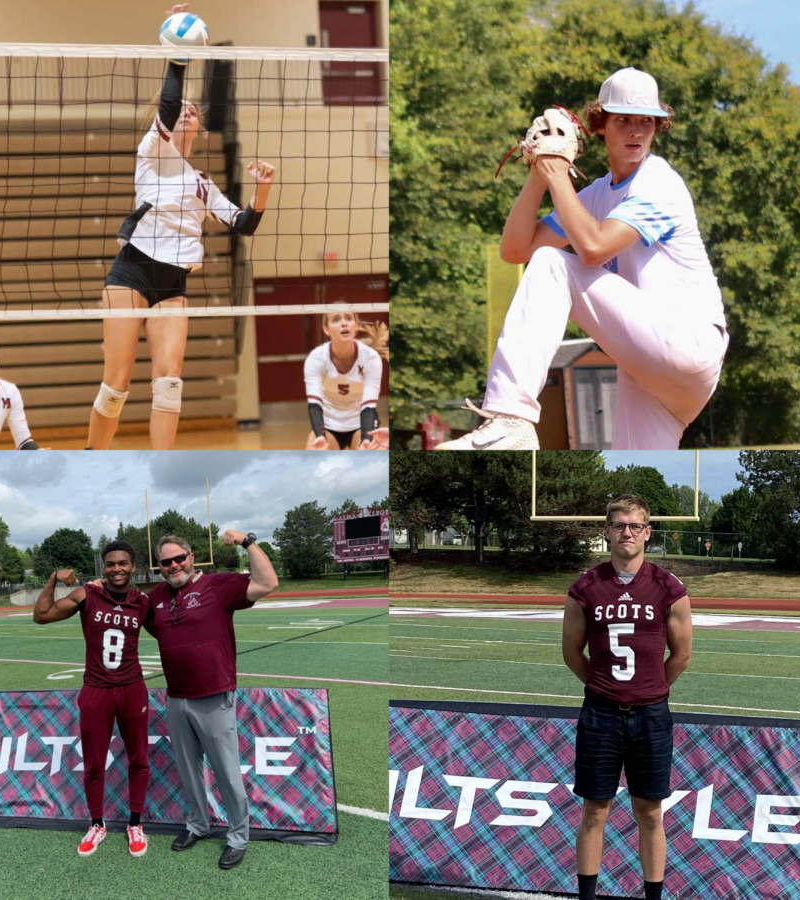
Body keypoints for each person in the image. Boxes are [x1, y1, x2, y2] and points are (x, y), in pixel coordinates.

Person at [439, 67, 728, 450]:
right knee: (634, 474)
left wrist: (559, 175)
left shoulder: (659, 183)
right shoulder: (594, 195)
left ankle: (511, 417)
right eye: (623, 119)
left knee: (553, 264)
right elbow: (514, 250)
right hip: (648, 369)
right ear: (600, 125)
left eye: (647, 121)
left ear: (659, 127)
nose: (637, 131)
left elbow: (592, 248)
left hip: (687, 344)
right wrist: (540, 174)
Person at [86, 3, 275, 451]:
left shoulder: (203, 185)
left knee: (170, 383)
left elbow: (244, 224)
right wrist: (177, 52)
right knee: (116, 385)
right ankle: (95, 453)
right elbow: (169, 101)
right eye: (180, 109)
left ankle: (163, 464)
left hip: (174, 285)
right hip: (130, 274)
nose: (185, 111)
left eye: (193, 110)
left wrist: (262, 189)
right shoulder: (153, 149)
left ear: (202, 125)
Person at [561, 494, 693, 900]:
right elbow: (571, 652)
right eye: (619, 525)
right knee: (594, 810)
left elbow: (682, 654)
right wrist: (603, 685)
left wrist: (651, 689)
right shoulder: (586, 587)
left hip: (651, 715)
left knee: (650, 813)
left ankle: (653, 897)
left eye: (635, 525)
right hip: (601, 714)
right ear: (607, 531)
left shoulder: (668, 587)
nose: (627, 532)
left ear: (648, 532)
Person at [146, 530, 278, 870]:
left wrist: (247, 542)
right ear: (159, 566)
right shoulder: (157, 596)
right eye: (166, 561)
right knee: (188, 771)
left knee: (227, 772)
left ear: (191, 558)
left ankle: (238, 836)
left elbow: (267, 583)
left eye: (179, 558)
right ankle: (198, 825)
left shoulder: (217, 585)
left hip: (214, 695)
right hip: (176, 697)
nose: (174, 565)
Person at [32, 540, 153, 858]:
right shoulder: (88, 595)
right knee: (94, 764)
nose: (117, 569)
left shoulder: (142, 602)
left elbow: (171, 632)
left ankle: (135, 823)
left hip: (132, 688)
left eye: (123, 563)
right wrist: (54, 577)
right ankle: (97, 823)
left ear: (133, 567)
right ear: (104, 566)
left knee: (138, 758)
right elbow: (41, 615)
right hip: (96, 690)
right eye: (111, 563)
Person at [304, 308, 385, 450]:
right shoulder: (316, 358)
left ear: (356, 326)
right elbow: (314, 405)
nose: (343, 323)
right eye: (336, 319)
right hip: (328, 424)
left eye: (348, 318)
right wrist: (320, 436)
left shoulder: (370, 358)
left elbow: (368, 407)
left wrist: (366, 440)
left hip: (360, 423)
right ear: (326, 329)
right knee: (315, 455)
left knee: (368, 456)